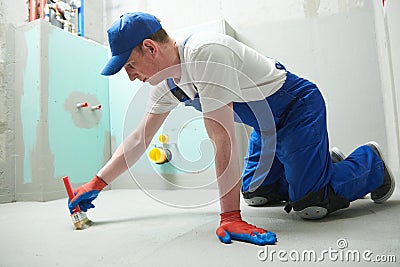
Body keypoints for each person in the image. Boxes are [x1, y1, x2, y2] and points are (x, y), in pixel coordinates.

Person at [69, 12, 395, 246]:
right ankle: (321, 165)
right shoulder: (166, 85)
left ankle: (370, 164)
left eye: (129, 65)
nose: (130, 76)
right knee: (256, 193)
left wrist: (229, 217)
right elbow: (140, 138)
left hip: (297, 108)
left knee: (312, 203)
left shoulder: (207, 54)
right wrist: (96, 183)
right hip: (265, 127)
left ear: (150, 49)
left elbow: (222, 138)